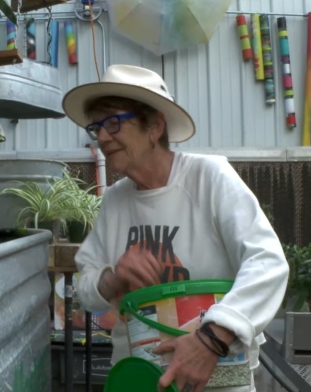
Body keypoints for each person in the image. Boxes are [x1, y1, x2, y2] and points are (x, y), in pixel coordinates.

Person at [62, 64, 289, 392]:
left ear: (154, 126)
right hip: (139, 376)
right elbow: (87, 292)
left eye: (113, 122)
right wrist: (114, 277)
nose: (101, 137)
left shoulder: (209, 178)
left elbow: (268, 264)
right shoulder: (114, 201)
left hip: (216, 376)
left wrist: (212, 339)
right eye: (95, 126)